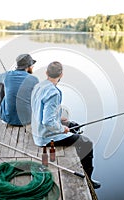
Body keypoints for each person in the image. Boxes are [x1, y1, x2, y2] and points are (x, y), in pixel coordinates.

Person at [31, 61, 101, 189]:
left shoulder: (39, 86)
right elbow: (47, 122)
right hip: (45, 137)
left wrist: (61, 120)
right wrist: (62, 128)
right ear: (61, 75)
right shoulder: (53, 93)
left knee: (74, 125)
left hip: (36, 130)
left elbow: (40, 111)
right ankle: (88, 180)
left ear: (46, 73)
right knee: (87, 143)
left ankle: (78, 157)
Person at [0, 54, 39, 126]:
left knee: (0, 85)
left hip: (9, 119)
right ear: (28, 66)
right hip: (28, 119)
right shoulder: (34, 79)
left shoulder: (7, 75)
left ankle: (4, 112)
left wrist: (6, 80)